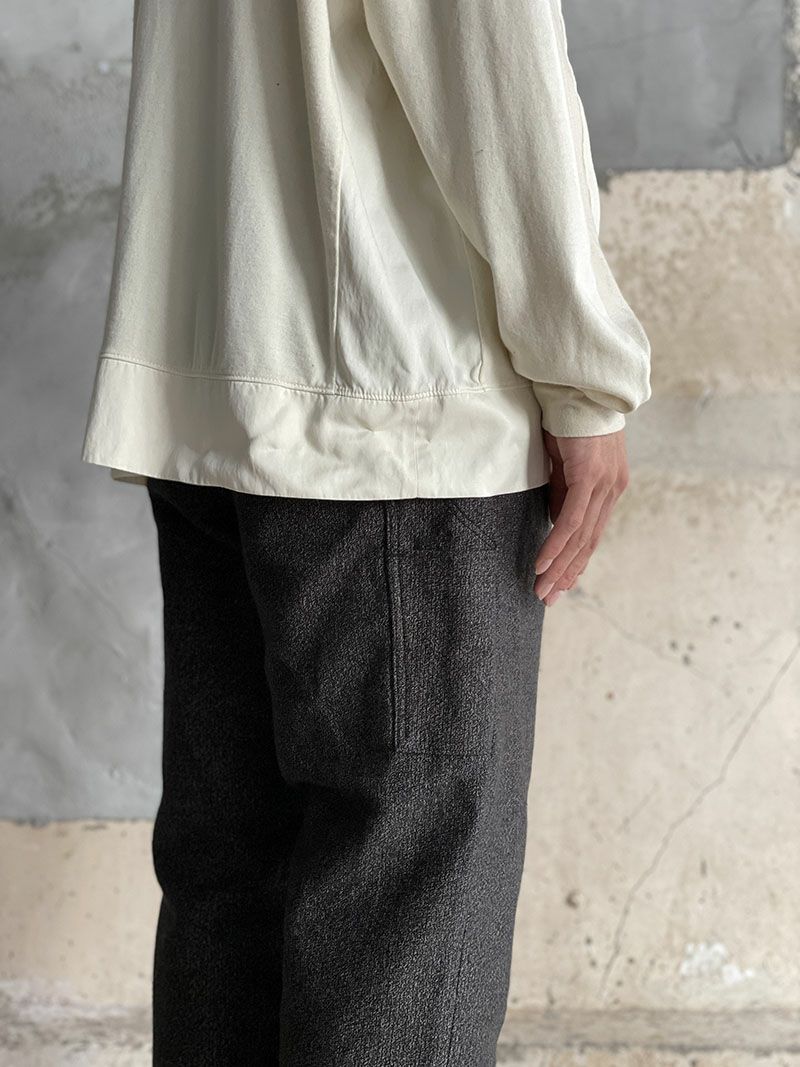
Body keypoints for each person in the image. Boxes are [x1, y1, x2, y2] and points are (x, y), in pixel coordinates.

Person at [80, 1, 651, 1063]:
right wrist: (585, 373)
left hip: (212, 370)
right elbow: (496, 77)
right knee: (408, 900)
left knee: (235, 878)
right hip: (391, 401)